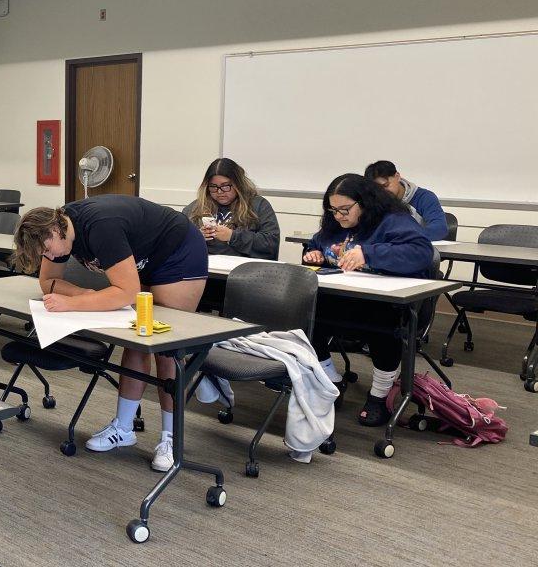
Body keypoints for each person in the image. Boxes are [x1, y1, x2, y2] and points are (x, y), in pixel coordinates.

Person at [12, 194, 208, 471]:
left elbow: (126, 292)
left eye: (48, 249)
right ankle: (124, 428)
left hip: (178, 252)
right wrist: (86, 294)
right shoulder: (60, 232)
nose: (51, 256)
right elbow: (48, 282)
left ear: (56, 230)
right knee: (136, 338)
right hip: (143, 257)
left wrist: (72, 302)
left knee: (165, 346)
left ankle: (171, 438)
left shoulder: (101, 227)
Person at [303, 174, 434, 427]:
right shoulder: (334, 224)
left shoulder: (392, 221)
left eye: (345, 210)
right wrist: (314, 254)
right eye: (333, 210)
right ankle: (331, 380)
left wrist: (369, 253)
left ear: (365, 203)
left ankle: (379, 395)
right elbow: (317, 243)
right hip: (345, 299)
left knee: (381, 326)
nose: (338, 216)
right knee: (303, 313)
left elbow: (421, 252)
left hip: (389, 305)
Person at [182, 158, 280, 259]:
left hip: (246, 271)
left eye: (225, 186)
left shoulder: (258, 205)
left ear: (238, 184)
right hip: (207, 269)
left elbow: (271, 244)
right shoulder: (194, 209)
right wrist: (196, 238)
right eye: (213, 187)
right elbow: (178, 243)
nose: (219, 192)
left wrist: (232, 237)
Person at [364, 160, 448, 241]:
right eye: (378, 189)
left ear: (397, 176)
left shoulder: (424, 198)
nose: (383, 192)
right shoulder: (375, 202)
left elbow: (440, 229)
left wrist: (406, 238)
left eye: (386, 185)